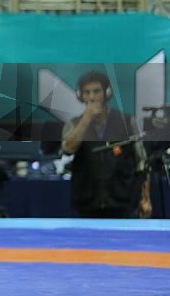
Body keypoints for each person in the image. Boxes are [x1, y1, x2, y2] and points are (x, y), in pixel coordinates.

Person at [61, 71, 150, 219]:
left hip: (122, 199)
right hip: (87, 201)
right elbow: (68, 149)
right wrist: (86, 118)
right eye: (87, 92)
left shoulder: (127, 122)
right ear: (80, 96)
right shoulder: (74, 124)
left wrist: (146, 198)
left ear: (106, 93)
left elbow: (142, 162)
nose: (91, 97)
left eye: (96, 91)